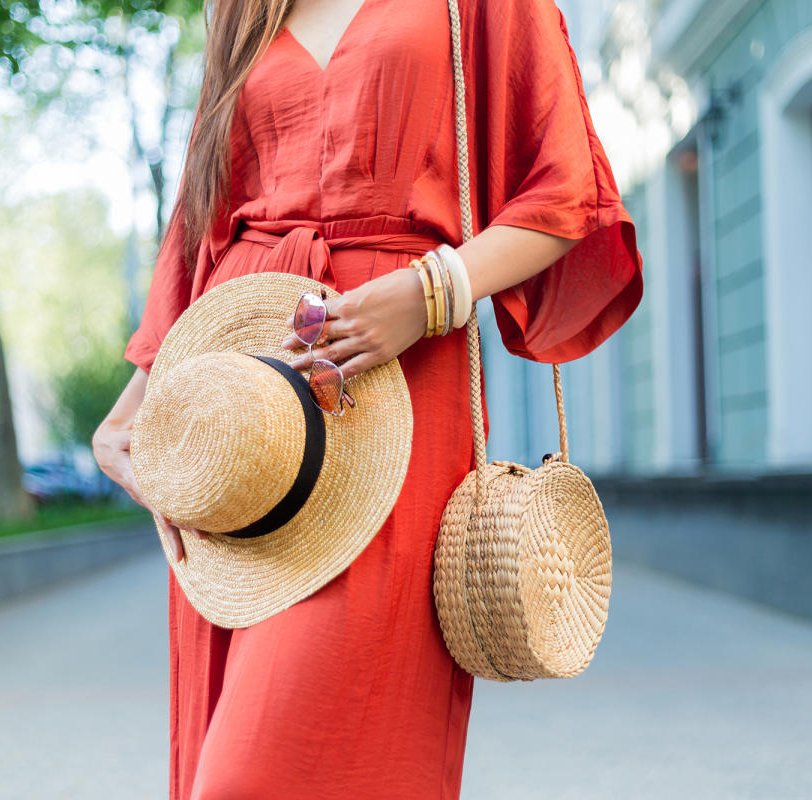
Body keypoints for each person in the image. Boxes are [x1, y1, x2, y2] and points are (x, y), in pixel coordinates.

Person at [93, 0, 642, 797]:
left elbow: (567, 191)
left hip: (398, 390)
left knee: (268, 769)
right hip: (238, 404)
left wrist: (434, 291)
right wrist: (138, 402)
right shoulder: (240, 8)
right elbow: (202, 217)